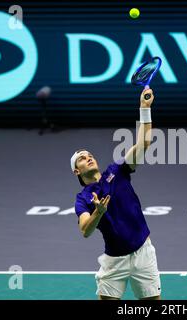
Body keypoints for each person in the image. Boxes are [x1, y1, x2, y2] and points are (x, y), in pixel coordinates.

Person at [70, 86, 161, 300]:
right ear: (76, 171)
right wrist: (98, 212)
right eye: (82, 158)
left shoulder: (118, 170)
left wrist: (144, 108)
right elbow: (85, 229)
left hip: (143, 253)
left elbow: (144, 143)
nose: (88, 157)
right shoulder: (83, 199)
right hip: (114, 260)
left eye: (89, 154)